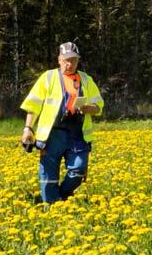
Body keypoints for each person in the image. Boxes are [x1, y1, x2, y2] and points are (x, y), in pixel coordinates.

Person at [21, 42, 104, 204]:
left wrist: (88, 108)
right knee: (49, 176)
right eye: (66, 60)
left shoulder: (86, 80)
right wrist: (28, 128)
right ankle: (51, 207)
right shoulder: (48, 77)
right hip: (52, 134)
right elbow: (33, 105)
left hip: (77, 133)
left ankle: (63, 196)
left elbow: (99, 107)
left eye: (73, 60)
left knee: (79, 170)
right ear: (59, 59)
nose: (70, 64)